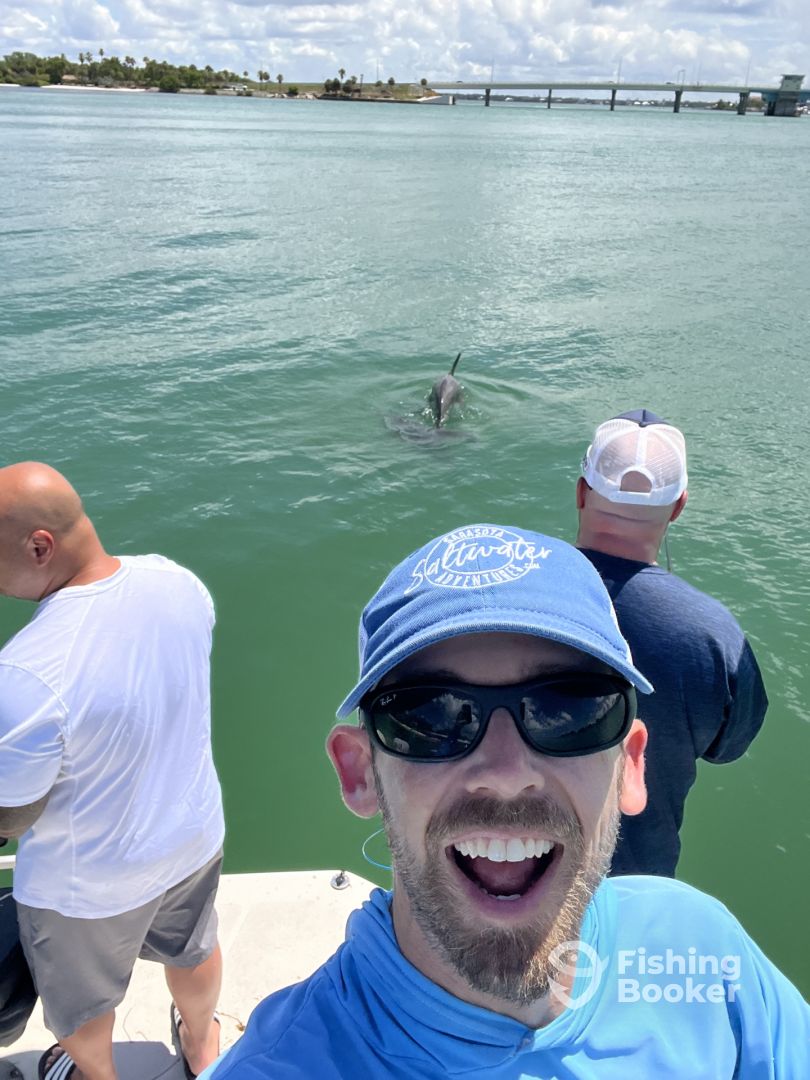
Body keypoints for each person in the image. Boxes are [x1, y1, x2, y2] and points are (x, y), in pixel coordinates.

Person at [201, 523, 807, 1078]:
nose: (507, 774)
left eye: (569, 710)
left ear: (630, 764)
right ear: (359, 772)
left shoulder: (703, 952)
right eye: (431, 716)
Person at [0, 462, 224, 1080]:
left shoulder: (25, 674)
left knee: (82, 1008)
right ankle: (202, 1051)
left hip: (87, 886)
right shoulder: (179, 582)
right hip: (192, 838)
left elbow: (12, 815)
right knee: (193, 951)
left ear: (39, 547)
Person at [576, 410, 768, 876]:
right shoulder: (715, 637)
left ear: (581, 492)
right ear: (679, 505)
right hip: (635, 886)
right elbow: (726, 748)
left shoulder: (504, 594)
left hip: (497, 879)